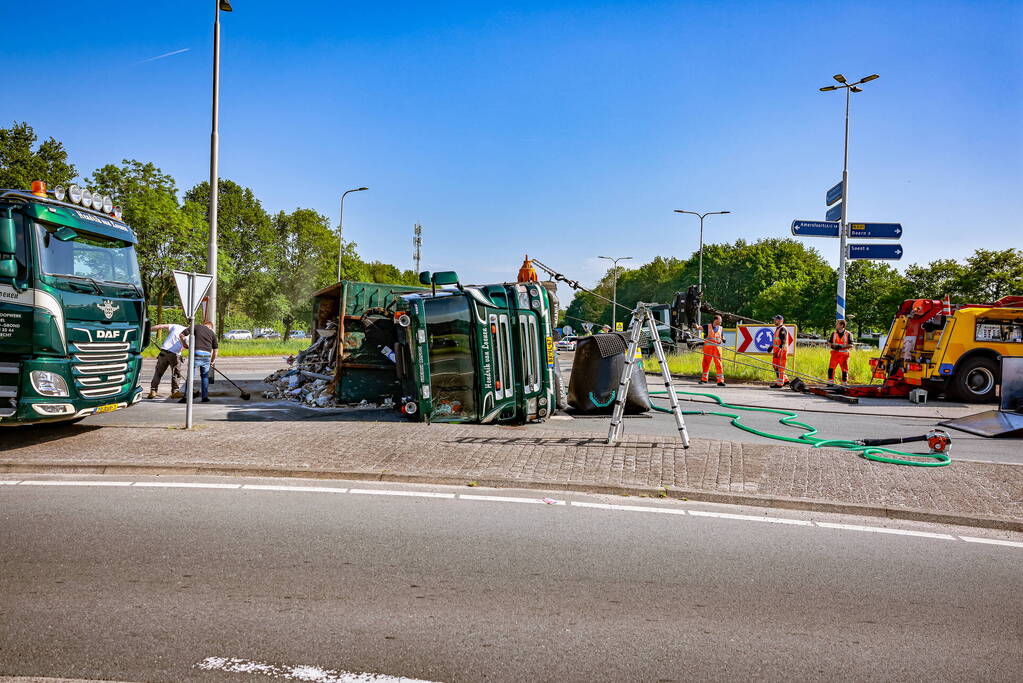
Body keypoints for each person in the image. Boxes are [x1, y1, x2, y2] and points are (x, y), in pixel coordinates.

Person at [178, 321, 219, 403]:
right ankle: (205, 397)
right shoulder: (212, 334)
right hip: (207, 356)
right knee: (204, 377)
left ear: (204, 324)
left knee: (190, 376)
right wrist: (212, 362)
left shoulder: (196, 326)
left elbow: (181, 335)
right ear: (210, 327)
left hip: (196, 354)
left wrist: (184, 344)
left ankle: (186, 397)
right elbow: (215, 352)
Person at [147, 323, 186, 399]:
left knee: (158, 372)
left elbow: (161, 326)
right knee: (176, 373)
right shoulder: (190, 334)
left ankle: (153, 390)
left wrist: (147, 329)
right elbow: (185, 346)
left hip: (164, 351)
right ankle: (175, 392)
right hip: (175, 354)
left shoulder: (176, 326)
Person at [699, 315, 726, 387]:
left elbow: (722, 336)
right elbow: (698, 328)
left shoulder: (721, 328)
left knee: (719, 364)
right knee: (706, 363)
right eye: (720, 320)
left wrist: (723, 339)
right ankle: (704, 379)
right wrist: (694, 323)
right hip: (708, 349)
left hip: (717, 349)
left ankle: (720, 381)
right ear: (715, 320)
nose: (721, 322)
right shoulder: (707, 326)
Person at [828, 318, 854, 385]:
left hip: (844, 354)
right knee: (831, 368)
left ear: (842, 325)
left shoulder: (848, 334)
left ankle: (844, 383)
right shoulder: (833, 333)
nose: (836, 325)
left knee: (844, 369)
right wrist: (833, 347)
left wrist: (842, 347)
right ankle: (830, 382)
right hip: (835, 353)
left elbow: (851, 345)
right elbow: (830, 343)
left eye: (837, 324)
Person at [770, 314, 789, 388]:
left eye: (776, 319)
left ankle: (779, 383)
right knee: (775, 365)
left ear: (781, 320)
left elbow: (783, 340)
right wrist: (772, 347)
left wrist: (781, 349)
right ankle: (786, 380)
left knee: (780, 367)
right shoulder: (778, 328)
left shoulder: (782, 329)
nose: (774, 321)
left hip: (781, 351)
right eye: (774, 319)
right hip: (777, 350)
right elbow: (777, 340)